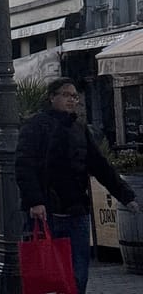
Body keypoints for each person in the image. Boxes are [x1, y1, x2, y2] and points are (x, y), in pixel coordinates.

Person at [16, 77, 140, 294]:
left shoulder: (79, 128)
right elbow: (25, 165)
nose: (71, 100)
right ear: (52, 97)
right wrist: (35, 201)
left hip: (76, 209)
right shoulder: (36, 126)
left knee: (78, 273)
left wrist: (125, 195)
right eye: (66, 95)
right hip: (47, 210)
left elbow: (100, 165)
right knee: (48, 272)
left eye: (74, 96)